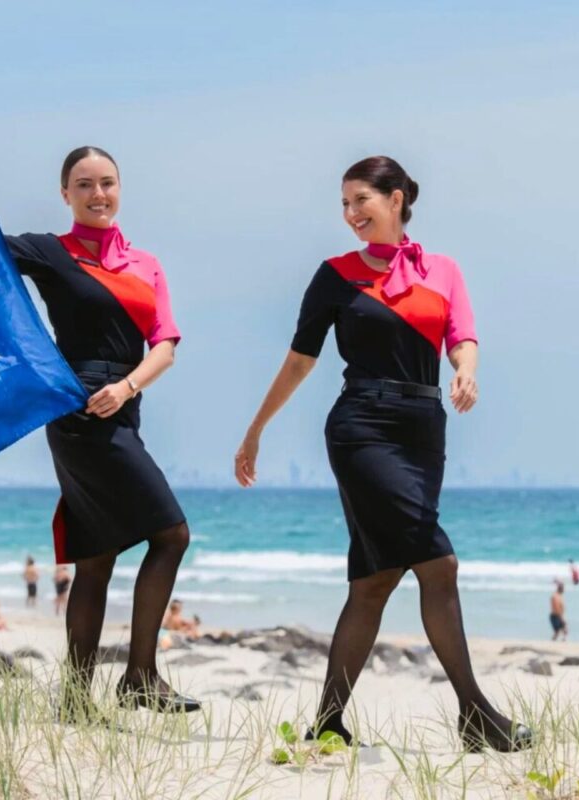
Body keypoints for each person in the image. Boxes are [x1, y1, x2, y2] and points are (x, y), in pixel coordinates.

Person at [234, 156, 530, 753]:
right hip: (361, 428)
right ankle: (476, 713)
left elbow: (462, 337)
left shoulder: (441, 270)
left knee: (375, 580)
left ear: (396, 199)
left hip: (424, 428)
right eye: (343, 205)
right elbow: (299, 360)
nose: (350, 215)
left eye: (360, 201)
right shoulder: (334, 275)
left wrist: (466, 373)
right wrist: (256, 430)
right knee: (438, 564)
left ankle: (326, 722)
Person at [0, 129, 198, 715]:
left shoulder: (146, 264)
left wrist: (126, 387)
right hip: (77, 410)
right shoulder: (51, 251)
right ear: (65, 194)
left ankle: (74, 701)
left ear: (120, 189)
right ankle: (139, 677)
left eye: (107, 183)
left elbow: (166, 345)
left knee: (96, 559)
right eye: (84, 186)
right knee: (172, 534)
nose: (97, 193)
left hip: (123, 402)